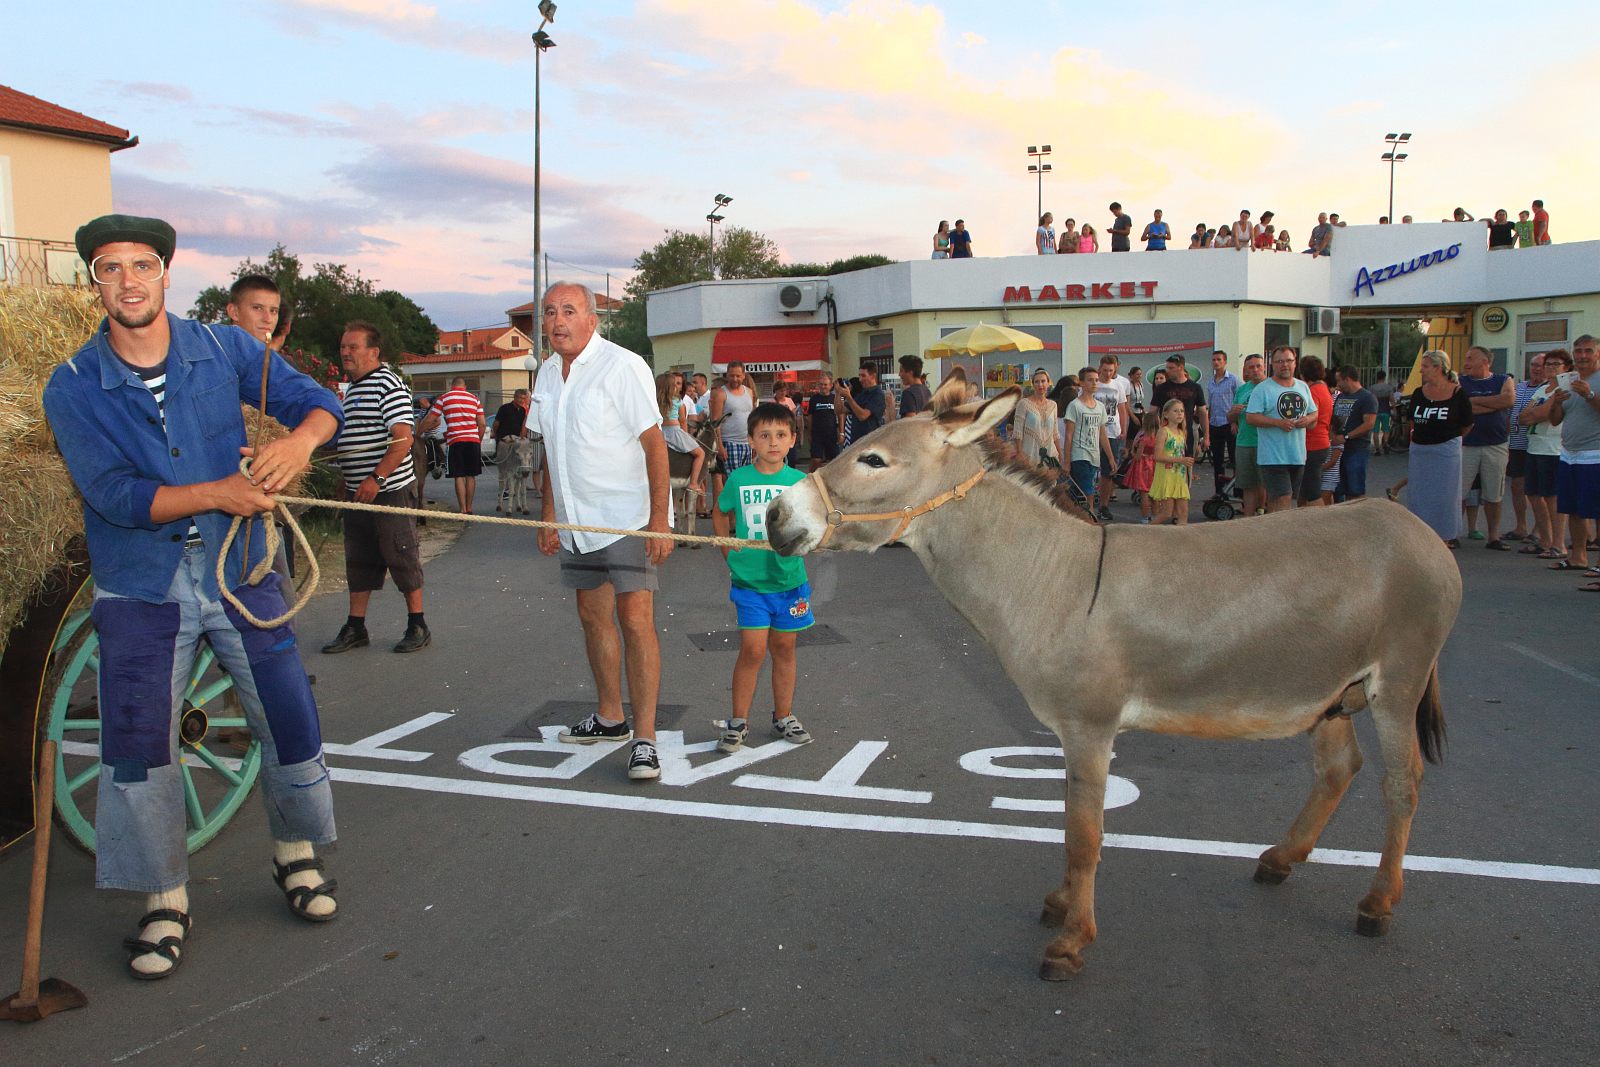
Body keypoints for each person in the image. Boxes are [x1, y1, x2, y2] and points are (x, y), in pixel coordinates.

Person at [43, 213, 344, 980]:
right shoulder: (73, 384)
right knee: (140, 744)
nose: (128, 281)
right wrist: (220, 489)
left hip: (240, 570)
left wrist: (297, 441)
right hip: (142, 583)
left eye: (141, 264)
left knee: (287, 712)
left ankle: (295, 854)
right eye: (110, 269)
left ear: (167, 271)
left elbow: (318, 402)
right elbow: (113, 495)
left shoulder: (223, 347)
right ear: (94, 283)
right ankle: (164, 899)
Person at [533, 282, 673, 781]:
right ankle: (611, 717)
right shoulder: (548, 373)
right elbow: (552, 447)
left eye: (568, 311)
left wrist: (660, 521)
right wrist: (549, 513)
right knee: (593, 618)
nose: (557, 321)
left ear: (592, 319)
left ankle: (646, 739)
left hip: (626, 518)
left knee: (635, 620)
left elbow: (655, 444)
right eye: (550, 312)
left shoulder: (623, 365)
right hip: (576, 522)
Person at [710, 403, 817, 749]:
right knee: (753, 650)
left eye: (781, 435)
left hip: (790, 583)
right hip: (750, 585)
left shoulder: (800, 483)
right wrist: (728, 550)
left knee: (784, 649)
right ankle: (738, 721)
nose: (773, 442)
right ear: (751, 441)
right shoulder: (740, 479)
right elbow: (719, 511)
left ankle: (783, 717)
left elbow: (812, 527)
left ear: (792, 440)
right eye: (765, 435)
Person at [321, 320, 430, 655]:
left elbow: (402, 439)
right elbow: (356, 440)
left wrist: (375, 478)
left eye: (353, 347)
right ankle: (356, 626)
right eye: (343, 347)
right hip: (359, 491)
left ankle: (418, 624)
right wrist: (347, 479)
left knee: (401, 555)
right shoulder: (352, 389)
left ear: (373, 351)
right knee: (359, 559)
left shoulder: (388, 384)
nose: (346, 353)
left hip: (390, 488)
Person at [1544, 334, 1600, 582]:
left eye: (1588, 351)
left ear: (1598, 353)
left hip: (1595, 453)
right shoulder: (1569, 380)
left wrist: (1589, 395)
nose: (1583, 356)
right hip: (1569, 453)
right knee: (1573, 508)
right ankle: (1578, 556)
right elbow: (1556, 419)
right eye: (1578, 351)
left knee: (1597, 510)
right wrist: (1555, 402)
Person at [1404, 350, 1475, 545]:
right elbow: (1412, 420)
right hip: (1420, 450)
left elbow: (1467, 424)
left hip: (1446, 451)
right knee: (1420, 494)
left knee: (1445, 495)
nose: (1421, 370)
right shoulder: (1419, 393)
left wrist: (1450, 438)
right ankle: (1420, 534)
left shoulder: (1457, 393)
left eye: (1425, 366)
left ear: (1438, 368)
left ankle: (1445, 536)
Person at [1245, 346, 1318, 513]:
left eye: (1289, 361)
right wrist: (1277, 423)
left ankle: (1278, 532)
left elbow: (1314, 413)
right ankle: (1280, 535)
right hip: (1273, 456)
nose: (1284, 365)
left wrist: (1308, 419)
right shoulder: (1263, 389)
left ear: (1295, 363)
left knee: (1288, 497)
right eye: (1280, 361)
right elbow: (1251, 417)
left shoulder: (1302, 387)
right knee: (1281, 496)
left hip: (1297, 455)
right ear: (1272, 364)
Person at [1458, 346, 1515, 547]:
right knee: (1460, 492)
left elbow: (1508, 400)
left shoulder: (1503, 380)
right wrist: (1493, 403)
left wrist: (1474, 402)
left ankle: (1494, 536)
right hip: (1467, 444)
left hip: (1496, 444)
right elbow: (1462, 407)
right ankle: (1453, 533)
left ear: (1484, 362)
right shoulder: (1459, 382)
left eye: (1470, 358)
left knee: (1494, 494)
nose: (1466, 362)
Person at [1517, 350, 1569, 558]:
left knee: (1551, 497)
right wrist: (1535, 415)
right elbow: (1523, 417)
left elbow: (1542, 413)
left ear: (1566, 367)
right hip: (1534, 446)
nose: (1550, 368)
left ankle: (1559, 544)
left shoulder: (1564, 390)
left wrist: (1535, 415)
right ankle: (1545, 540)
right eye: (1548, 364)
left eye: (1555, 364)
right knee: (1534, 495)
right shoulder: (1541, 390)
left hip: (1553, 449)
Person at [420, 376, 486, 515]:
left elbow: (430, 419)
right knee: (471, 476)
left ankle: (462, 509)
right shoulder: (475, 399)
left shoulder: (444, 398)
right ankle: (469, 507)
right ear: (465, 387)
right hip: (473, 441)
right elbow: (482, 423)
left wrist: (418, 433)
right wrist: (478, 439)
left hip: (455, 441)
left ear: (452, 386)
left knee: (459, 476)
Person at [1506, 355, 1545, 543]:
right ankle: (1521, 526)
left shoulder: (1547, 390)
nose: (1537, 369)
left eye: (1541, 366)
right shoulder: (1519, 387)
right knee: (1517, 487)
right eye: (1534, 365)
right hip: (1516, 445)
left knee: (1537, 491)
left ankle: (1539, 529)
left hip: (1537, 446)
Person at [1063, 367, 1114, 501]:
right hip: (1079, 453)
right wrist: (1067, 461)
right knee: (1088, 489)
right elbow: (1069, 435)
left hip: (1094, 453)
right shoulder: (1075, 406)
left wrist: (1110, 457)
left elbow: (1102, 434)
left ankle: (1083, 514)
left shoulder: (1100, 407)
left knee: (1086, 487)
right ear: (1082, 383)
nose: (1094, 383)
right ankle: (1091, 516)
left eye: (1096, 380)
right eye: (1090, 380)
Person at [711, 360, 756, 506]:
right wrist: (720, 446)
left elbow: (753, 420)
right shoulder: (721, 394)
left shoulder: (749, 392)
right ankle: (730, 520)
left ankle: (739, 517)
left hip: (747, 444)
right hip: (729, 444)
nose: (734, 379)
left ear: (743, 375)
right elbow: (715, 423)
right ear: (727, 375)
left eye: (737, 376)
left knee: (745, 483)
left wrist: (754, 444)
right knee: (732, 484)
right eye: (731, 376)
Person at [1093, 354, 1133, 520]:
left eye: (1111, 370)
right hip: (1093, 432)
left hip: (1112, 431)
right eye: (1105, 370)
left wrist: (1123, 430)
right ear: (1100, 368)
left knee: (1109, 471)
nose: (1108, 373)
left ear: (1115, 368)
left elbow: (1122, 409)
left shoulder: (1119, 385)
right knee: (1091, 469)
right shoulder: (1093, 383)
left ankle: (1104, 505)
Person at [656, 371, 707, 498]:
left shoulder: (656, 401)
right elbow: (683, 421)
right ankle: (694, 483)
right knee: (700, 453)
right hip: (675, 431)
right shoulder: (678, 401)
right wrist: (687, 436)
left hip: (661, 433)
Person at [1332, 365, 1378, 500]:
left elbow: (1369, 423)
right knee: (1340, 489)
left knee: (1355, 488)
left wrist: (1347, 436)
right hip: (1339, 448)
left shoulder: (1367, 398)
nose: (1338, 384)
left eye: (1339, 380)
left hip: (1357, 448)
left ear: (1347, 379)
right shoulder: (1340, 397)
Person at [1230, 354, 1268, 516]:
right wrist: (1233, 415)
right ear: (1245, 370)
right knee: (1247, 484)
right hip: (1244, 442)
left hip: (1265, 442)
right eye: (1251, 367)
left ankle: (1263, 511)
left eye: (1258, 366)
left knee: (1265, 483)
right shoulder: (1242, 389)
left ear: (1264, 366)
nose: (1255, 370)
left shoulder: (1271, 387)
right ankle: (1248, 518)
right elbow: (1230, 417)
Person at [1151, 353, 1208, 459]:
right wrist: (1150, 433)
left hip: (1187, 433)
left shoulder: (1195, 387)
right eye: (1167, 367)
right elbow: (1152, 412)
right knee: (1166, 465)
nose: (1168, 370)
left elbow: (1203, 413)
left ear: (1181, 367)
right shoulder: (1161, 389)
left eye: (1171, 368)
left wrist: (1206, 436)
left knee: (1187, 466)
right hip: (1166, 433)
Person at [1296, 354, 1335, 507]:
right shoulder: (1323, 387)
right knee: (1305, 489)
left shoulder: (1312, 391)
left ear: (1302, 374)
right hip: (1321, 442)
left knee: (1312, 491)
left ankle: (1320, 524)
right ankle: (1302, 519)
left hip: (1313, 444)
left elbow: (1310, 417)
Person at [1148, 399, 1194, 524]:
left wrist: (1187, 469)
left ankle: (1181, 539)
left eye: (1181, 411)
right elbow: (1157, 456)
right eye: (1175, 411)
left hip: (1179, 476)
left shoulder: (1181, 432)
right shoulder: (1163, 431)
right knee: (1167, 513)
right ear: (1166, 414)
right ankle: (1146, 532)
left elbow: (1181, 453)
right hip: (1167, 475)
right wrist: (1181, 460)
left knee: (1183, 512)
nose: (1179, 414)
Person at [1204, 350, 1240, 498]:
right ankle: (1220, 491)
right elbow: (1211, 404)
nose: (1216, 362)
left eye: (1219, 359)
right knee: (1217, 460)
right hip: (1215, 424)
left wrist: (1235, 422)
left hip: (1229, 423)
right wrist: (1207, 423)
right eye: (1214, 360)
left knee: (1234, 459)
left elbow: (1239, 401)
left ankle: (1239, 491)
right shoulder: (1210, 382)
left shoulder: (1233, 380)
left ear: (1225, 362)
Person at [491, 388, 531, 514]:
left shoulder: (523, 410)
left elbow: (524, 426)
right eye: (519, 398)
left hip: (517, 441)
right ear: (514, 397)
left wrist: (522, 436)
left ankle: (520, 502)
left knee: (521, 464)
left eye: (524, 398)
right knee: (504, 472)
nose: (521, 401)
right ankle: (502, 497)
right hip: (504, 440)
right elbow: (496, 423)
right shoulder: (504, 408)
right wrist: (496, 435)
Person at [1011, 368, 1060, 468]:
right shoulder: (1023, 404)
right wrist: (1019, 452)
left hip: (1050, 455)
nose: (1040, 385)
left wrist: (1060, 454)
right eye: (1037, 382)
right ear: (1033, 385)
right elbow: (1017, 431)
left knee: (1050, 483)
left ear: (1048, 383)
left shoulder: (1053, 405)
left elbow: (1055, 433)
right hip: (1029, 454)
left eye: (1043, 381)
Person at [1124, 411, 1159, 523]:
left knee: (1144, 494)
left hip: (1143, 466)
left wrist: (1132, 453)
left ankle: (1144, 517)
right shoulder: (1158, 438)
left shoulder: (1143, 439)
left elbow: (1138, 456)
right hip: (1154, 465)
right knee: (1154, 495)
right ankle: (1155, 516)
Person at [225, 274, 282, 343]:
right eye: (257, 308)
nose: (268, 319)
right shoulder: (213, 351)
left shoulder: (269, 353)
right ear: (234, 312)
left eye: (273, 311)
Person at [837, 364, 887, 441]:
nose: (860, 379)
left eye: (863, 376)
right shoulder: (862, 394)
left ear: (873, 376)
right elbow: (840, 410)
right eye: (859, 376)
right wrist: (838, 393)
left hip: (870, 442)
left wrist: (849, 397)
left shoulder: (877, 394)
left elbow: (863, 416)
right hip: (857, 441)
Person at [808, 372, 842, 470]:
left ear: (831, 385)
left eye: (825, 384)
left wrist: (841, 432)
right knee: (816, 460)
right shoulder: (814, 399)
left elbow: (840, 415)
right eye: (821, 384)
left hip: (831, 434)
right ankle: (811, 479)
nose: (823, 387)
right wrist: (809, 433)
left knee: (832, 461)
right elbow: (810, 416)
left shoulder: (835, 398)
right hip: (817, 435)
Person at [1370, 371, 1395, 454]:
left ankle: (1377, 449)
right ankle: (1385, 444)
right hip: (1385, 411)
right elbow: (1392, 399)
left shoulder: (1372, 388)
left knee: (1375, 431)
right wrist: (1394, 409)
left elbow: (1370, 400)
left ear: (1377, 377)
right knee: (1386, 430)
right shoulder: (1388, 388)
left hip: (1375, 412)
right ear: (1384, 377)